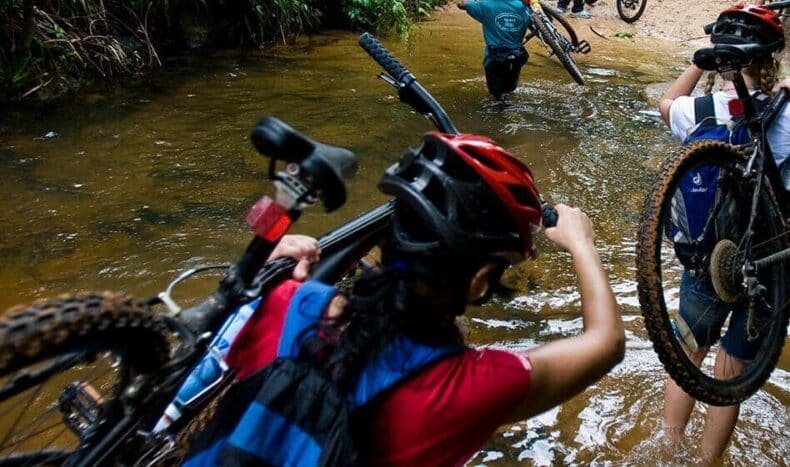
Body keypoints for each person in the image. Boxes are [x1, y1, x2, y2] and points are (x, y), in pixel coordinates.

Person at [185, 132, 625, 466]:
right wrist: (582, 243)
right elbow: (606, 342)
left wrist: (271, 266)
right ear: (478, 282)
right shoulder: (468, 389)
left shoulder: (285, 299)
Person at [657, 5, 790, 463]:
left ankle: (667, 446)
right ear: (767, 63)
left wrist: (695, 65)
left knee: (689, 352)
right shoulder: (787, 113)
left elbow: (664, 103)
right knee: (733, 367)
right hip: (766, 261)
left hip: (708, 257)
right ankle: (706, 462)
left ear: (718, 63)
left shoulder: (696, 112)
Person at [458, 0, 533, 100]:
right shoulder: (525, 7)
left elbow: (462, 3)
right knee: (510, 91)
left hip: (495, 58)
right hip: (517, 57)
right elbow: (542, 23)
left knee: (497, 97)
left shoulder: (486, 6)